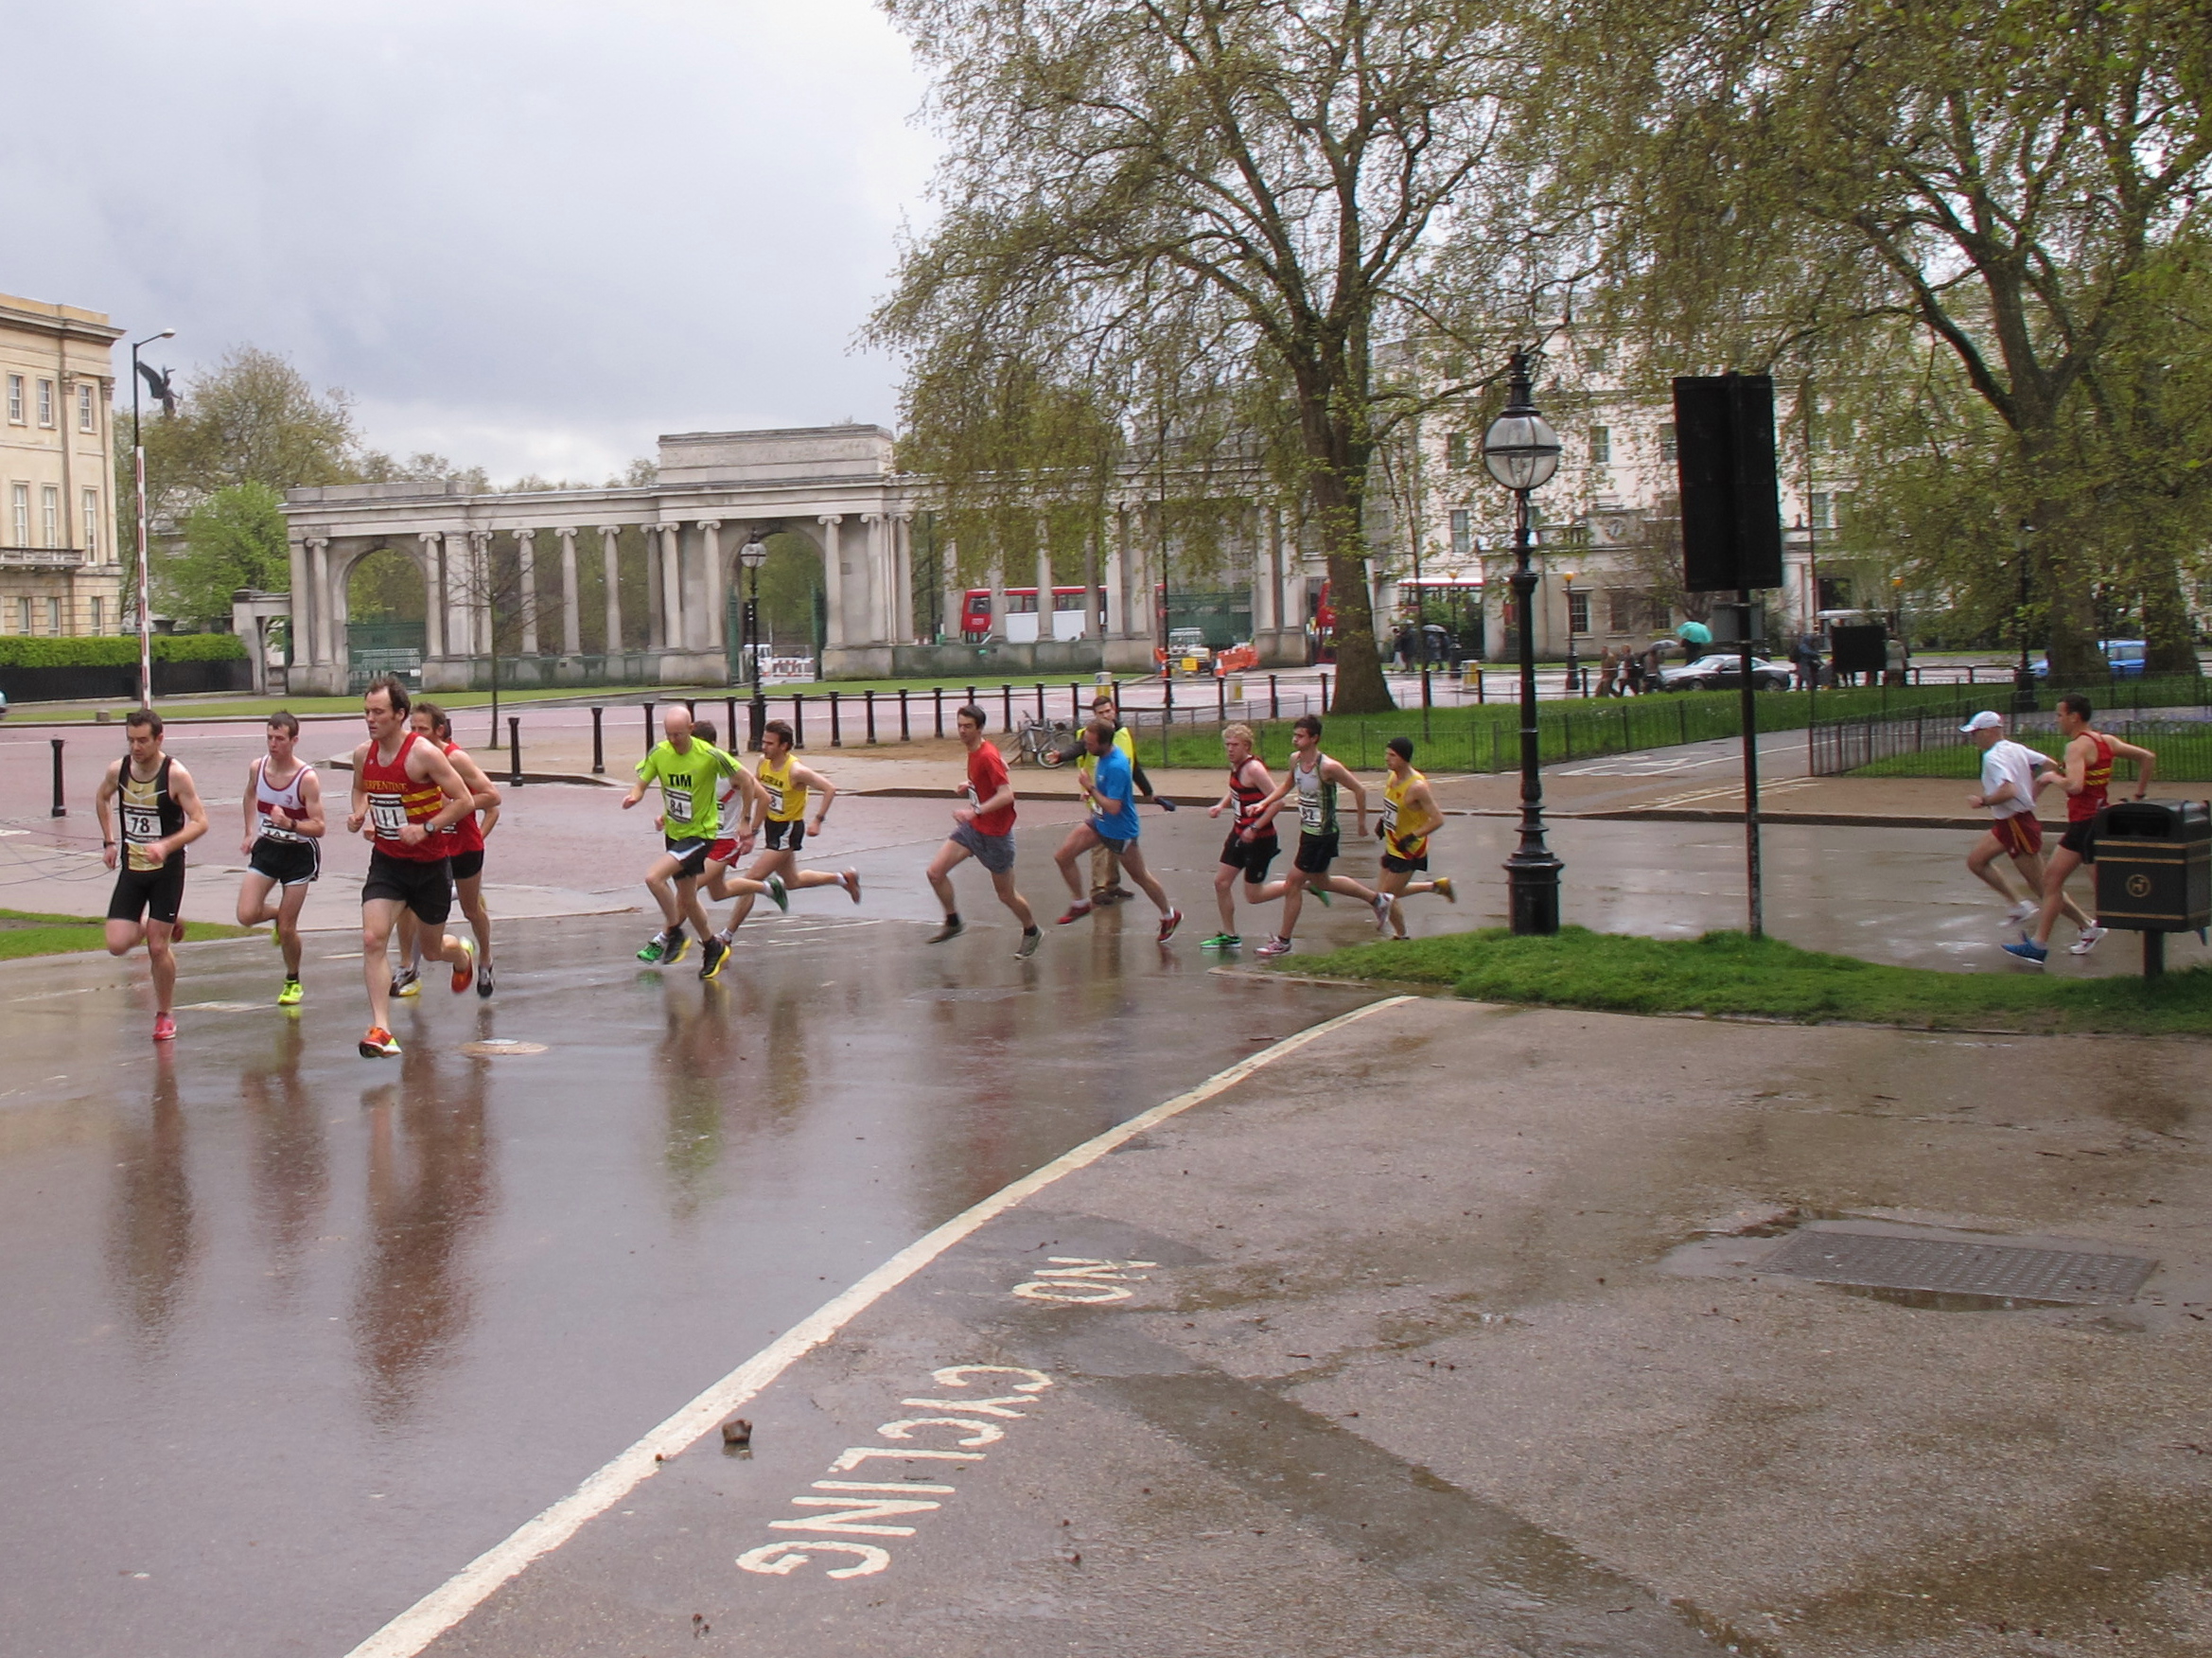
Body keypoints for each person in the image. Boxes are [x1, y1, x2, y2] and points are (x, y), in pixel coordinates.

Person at [347, 676, 480, 1057]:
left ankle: (462, 955)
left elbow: (464, 799)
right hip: (387, 864)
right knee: (373, 939)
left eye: (378, 713)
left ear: (400, 715)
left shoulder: (423, 754)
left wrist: (426, 828)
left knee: (433, 950)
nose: (370, 720)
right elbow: (360, 787)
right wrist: (359, 813)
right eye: (366, 712)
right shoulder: (363, 754)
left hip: (430, 865)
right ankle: (381, 1029)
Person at [2004, 693, 2155, 966]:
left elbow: (2075, 786)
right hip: (2092, 821)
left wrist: (2052, 777)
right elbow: (2148, 758)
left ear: (2074, 716)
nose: (2057, 720)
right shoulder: (2105, 741)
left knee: (2106, 889)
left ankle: (2140, 923)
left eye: (2059, 715)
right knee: (2051, 880)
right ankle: (2041, 944)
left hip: (2087, 823)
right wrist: (2139, 795)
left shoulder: (2076, 748)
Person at [703, 718, 858, 979]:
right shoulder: (763, 763)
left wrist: (818, 820)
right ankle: (843, 878)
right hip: (772, 827)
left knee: (752, 878)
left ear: (785, 746)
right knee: (793, 881)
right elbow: (757, 793)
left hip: (788, 829)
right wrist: (752, 827)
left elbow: (830, 788)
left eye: (770, 743)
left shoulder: (795, 770)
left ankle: (726, 937)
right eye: (763, 741)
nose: (764, 746)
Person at [96, 708, 209, 1042]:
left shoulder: (175, 775)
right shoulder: (119, 770)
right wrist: (109, 841)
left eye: (143, 740)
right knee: (116, 944)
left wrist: (167, 845)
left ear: (159, 738)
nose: (136, 747)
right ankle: (160, 924)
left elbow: (201, 821)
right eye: (131, 740)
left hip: (167, 870)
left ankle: (165, 1014)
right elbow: (101, 798)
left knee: (157, 948)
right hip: (133, 866)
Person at [391, 701, 502, 999]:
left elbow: (492, 797)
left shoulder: (456, 758)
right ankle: (408, 968)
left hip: (462, 849)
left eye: (422, 729)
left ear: (439, 730)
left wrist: (454, 807)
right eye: (411, 728)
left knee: (470, 909)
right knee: (408, 906)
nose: (415, 734)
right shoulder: (412, 758)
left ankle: (486, 959)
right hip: (429, 848)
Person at [624, 705, 745, 967]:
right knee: (688, 899)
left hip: (701, 835)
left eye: (678, 734)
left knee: (654, 878)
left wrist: (746, 823)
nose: (673, 740)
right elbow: (642, 781)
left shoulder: (710, 755)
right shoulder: (660, 752)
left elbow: (747, 780)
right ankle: (712, 946)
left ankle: (674, 931)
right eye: (669, 734)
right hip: (675, 832)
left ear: (691, 729)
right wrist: (635, 795)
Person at [1249, 715, 1375, 959]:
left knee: (1293, 882)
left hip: (1323, 834)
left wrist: (1361, 823)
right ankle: (1377, 899)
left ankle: (1283, 941)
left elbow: (1360, 789)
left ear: (1314, 738)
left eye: (1300, 736)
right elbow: (1286, 786)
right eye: (1294, 735)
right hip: (1308, 832)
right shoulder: (1295, 760)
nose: (1295, 740)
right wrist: (1263, 803)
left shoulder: (1328, 767)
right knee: (1322, 882)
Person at [923, 704, 1042, 957]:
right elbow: (1001, 771)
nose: (962, 731)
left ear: (979, 729)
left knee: (1006, 895)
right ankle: (953, 921)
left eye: (968, 727)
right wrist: (972, 784)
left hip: (996, 836)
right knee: (935, 873)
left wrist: (973, 811)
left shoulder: (987, 754)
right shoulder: (976, 751)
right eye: (959, 726)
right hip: (973, 830)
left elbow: (1007, 794)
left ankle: (1032, 930)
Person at [1959, 710, 2089, 935]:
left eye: (1976, 733)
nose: (1973, 738)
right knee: (1976, 861)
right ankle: (2019, 906)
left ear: (1990, 731)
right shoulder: (2015, 748)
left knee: (2044, 887)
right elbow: (2050, 764)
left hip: (2016, 824)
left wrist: (1983, 801)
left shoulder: (1993, 758)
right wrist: (2034, 791)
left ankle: (2087, 925)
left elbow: (2008, 790)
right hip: (2007, 823)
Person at [1053, 719, 1183, 941]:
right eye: (1086, 742)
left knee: (1140, 876)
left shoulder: (1117, 765)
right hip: (1100, 822)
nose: (1087, 747)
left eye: (1091, 744)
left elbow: (1114, 807)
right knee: (1063, 856)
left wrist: (1090, 788)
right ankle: (1080, 903)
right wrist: (1092, 792)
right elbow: (1106, 793)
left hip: (1120, 830)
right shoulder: (1102, 756)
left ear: (1104, 743)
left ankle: (1169, 914)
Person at [234, 711, 326, 1007]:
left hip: (299, 854)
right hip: (268, 848)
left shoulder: (305, 778)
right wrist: (250, 831)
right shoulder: (257, 768)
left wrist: (291, 824)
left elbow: (320, 827)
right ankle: (276, 915)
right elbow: (249, 796)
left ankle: (293, 979)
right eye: (270, 738)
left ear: (294, 740)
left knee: (288, 929)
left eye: (280, 739)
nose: (274, 744)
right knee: (246, 915)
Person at [1080, 691, 1171, 904]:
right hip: (1100, 801)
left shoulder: (1121, 736)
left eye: (1108, 710)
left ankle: (1112, 884)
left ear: (1115, 710)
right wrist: (1060, 757)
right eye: (1101, 712)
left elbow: (1134, 765)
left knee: (1125, 858)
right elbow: (1077, 749)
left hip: (1114, 804)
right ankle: (1099, 889)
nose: (1106, 715)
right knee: (1100, 846)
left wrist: (1148, 792)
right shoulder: (1092, 737)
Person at [1201, 722, 1277, 950]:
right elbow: (1236, 790)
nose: (1230, 750)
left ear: (1246, 746)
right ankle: (1230, 934)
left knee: (1253, 895)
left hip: (1260, 838)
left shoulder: (1254, 769)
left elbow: (1277, 801)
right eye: (1227, 745)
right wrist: (1221, 805)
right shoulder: (1237, 767)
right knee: (1221, 882)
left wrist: (1254, 828)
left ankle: (1298, 884)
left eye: (1235, 745)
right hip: (1238, 833)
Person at [1371, 736, 1456, 937]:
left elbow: (1437, 819)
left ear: (1404, 758)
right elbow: (1394, 806)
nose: (1387, 758)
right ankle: (1402, 934)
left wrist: (1411, 837)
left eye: (1392, 755)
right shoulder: (1392, 778)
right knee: (1384, 895)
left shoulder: (1417, 787)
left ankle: (1403, 935)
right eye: (1387, 754)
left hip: (1409, 849)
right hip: (1393, 844)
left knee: (1388, 896)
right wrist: (1384, 821)